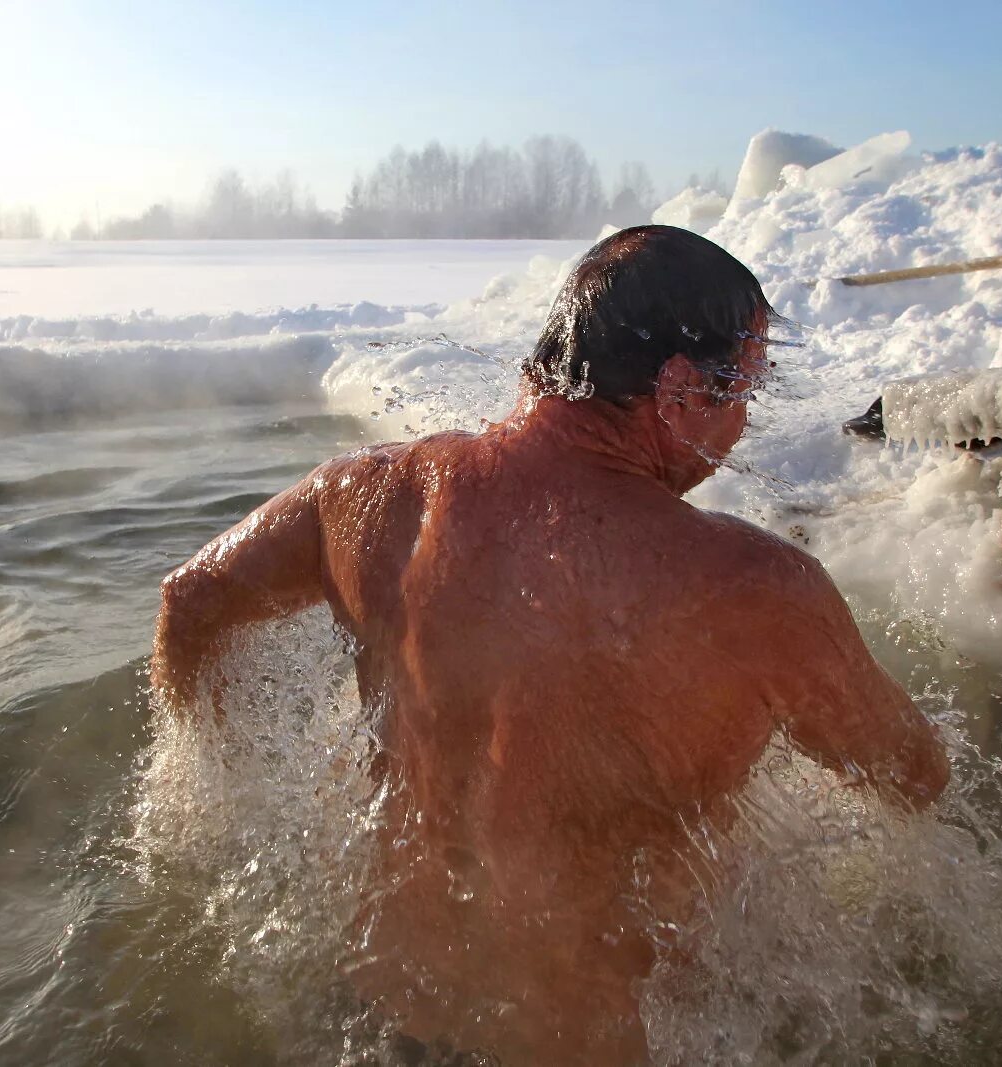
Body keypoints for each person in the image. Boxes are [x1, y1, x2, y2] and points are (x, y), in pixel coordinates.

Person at [150, 225, 949, 1065]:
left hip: (391, 1018)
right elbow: (914, 776)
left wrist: (216, 800)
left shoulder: (367, 496)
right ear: (680, 388)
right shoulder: (755, 588)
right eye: (745, 388)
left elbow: (189, 598)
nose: (745, 422)